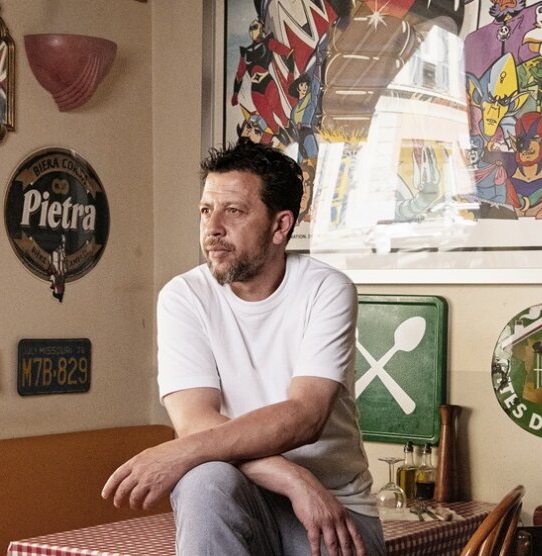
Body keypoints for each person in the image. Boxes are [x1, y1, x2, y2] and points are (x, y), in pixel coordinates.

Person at [102, 140, 384, 556]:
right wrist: (292, 478)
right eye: (205, 210)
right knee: (203, 478)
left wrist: (178, 452)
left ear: (280, 226)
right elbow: (195, 422)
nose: (212, 228)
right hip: (243, 498)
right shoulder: (184, 297)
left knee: (198, 463)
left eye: (233, 211)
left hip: (333, 508)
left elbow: (305, 415)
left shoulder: (326, 289)